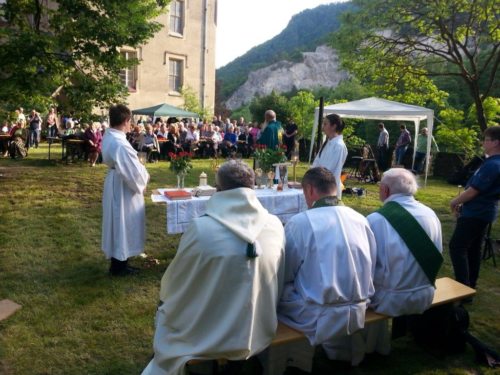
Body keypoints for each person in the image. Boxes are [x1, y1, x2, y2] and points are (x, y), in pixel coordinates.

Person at [142, 160, 285, 375]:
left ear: (218, 190)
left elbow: (176, 283)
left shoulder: (201, 228)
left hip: (209, 332)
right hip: (258, 326)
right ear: (253, 187)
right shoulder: (274, 224)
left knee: (168, 309)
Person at [277, 167, 376, 371]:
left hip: (315, 314)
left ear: (310, 190)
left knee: (275, 291)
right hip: (358, 308)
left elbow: (286, 272)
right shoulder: (360, 219)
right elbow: (371, 264)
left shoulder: (300, 222)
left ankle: (290, 362)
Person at [364, 168, 443, 356]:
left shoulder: (376, 220)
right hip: (425, 293)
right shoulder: (430, 213)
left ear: (386, 191)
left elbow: (365, 266)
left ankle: (369, 348)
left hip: (390, 299)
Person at [449, 126, 500, 290]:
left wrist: (455, 201)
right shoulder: (492, 162)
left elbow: (473, 191)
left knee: (457, 246)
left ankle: (462, 286)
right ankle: (470, 285)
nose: (483, 143)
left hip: (477, 212)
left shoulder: (492, 164)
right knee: (473, 248)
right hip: (485, 211)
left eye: (486, 140)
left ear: (495, 142)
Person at [101, 104, 149, 276]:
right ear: (126, 121)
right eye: (130, 121)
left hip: (116, 181)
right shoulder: (120, 143)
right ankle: (119, 265)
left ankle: (120, 262)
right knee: (122, 221)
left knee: (118, 221)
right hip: (122, 186)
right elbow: (133, 173)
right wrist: (143, 180)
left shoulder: (109, 137)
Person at [311, 114, 348, 199]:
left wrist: (313, 179)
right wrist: (309, 179)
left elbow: (328, 170)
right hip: (319, 185)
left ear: (333, 126)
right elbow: (316, 162)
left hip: (329, 190)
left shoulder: (339, 146)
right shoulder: (327, 143)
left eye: (325, 124)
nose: (322, 127)